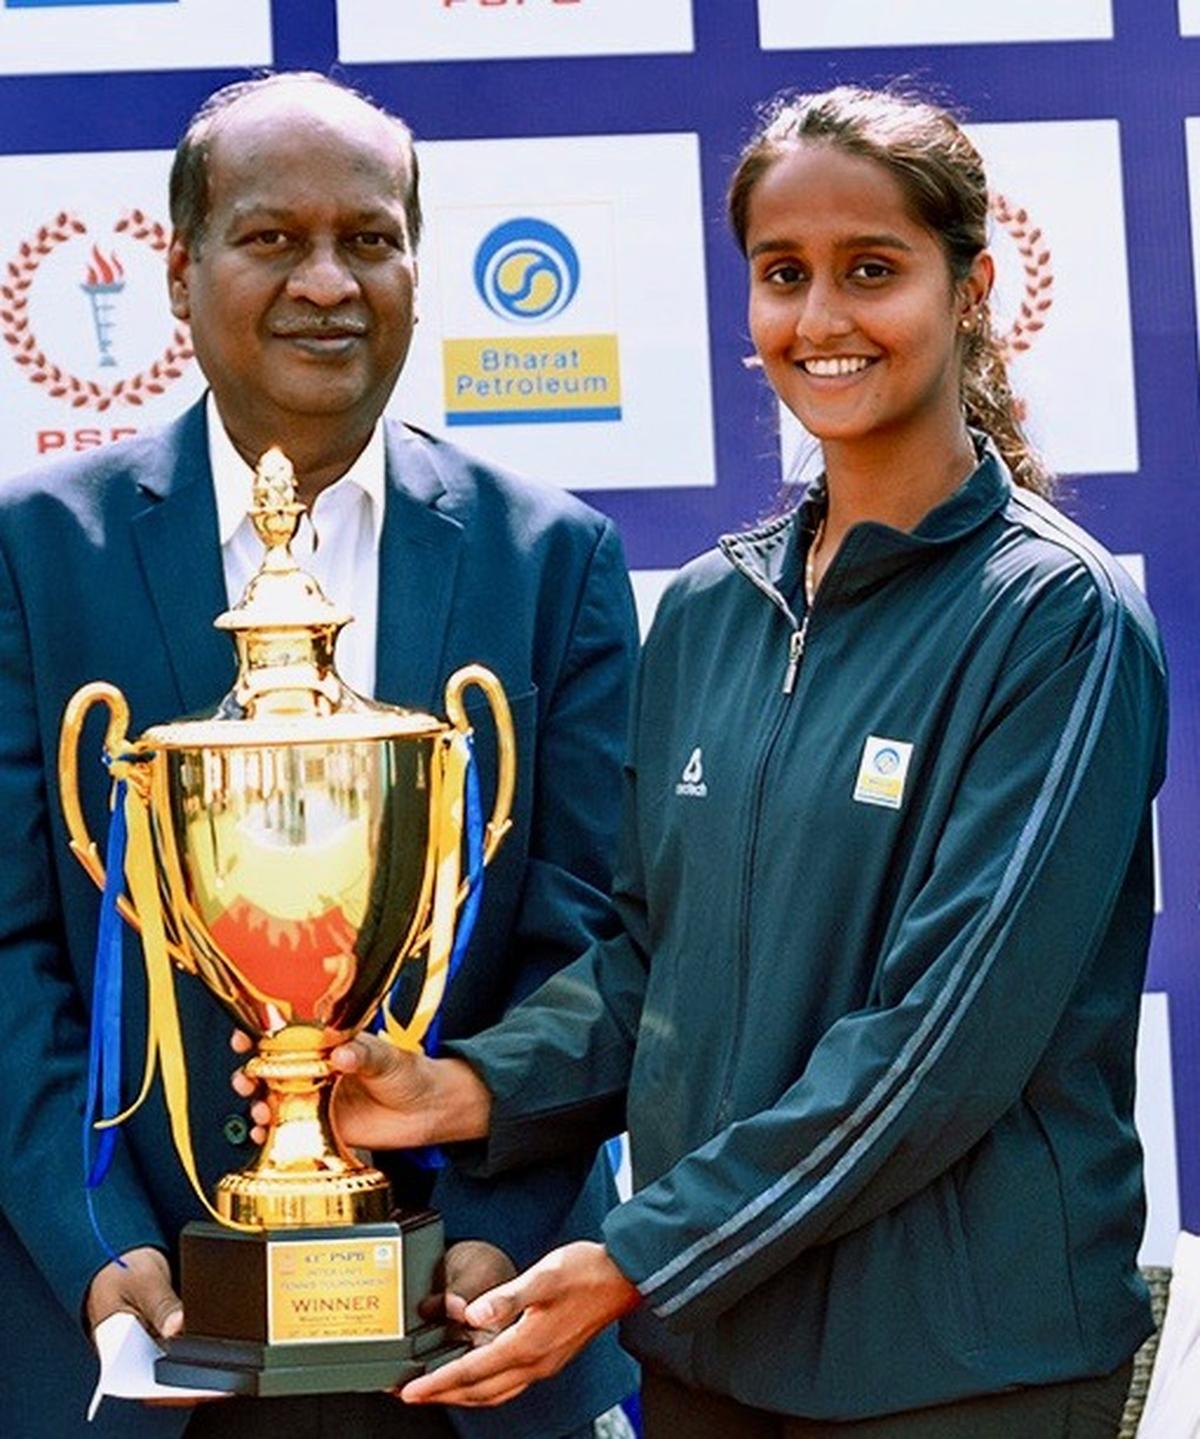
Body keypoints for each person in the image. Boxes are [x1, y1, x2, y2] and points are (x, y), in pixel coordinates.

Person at [309, 86, 1169, 1437]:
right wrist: (464, 1088)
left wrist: (640, 1254)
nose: (821, 321)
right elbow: (650, 962)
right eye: (784, 276)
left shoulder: (1056, 617)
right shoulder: (711, 609)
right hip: (710, 1360)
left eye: (871, 270)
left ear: (971, 285)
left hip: (961, 1372)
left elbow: (938, 1042)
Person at [0, 72, 638, 1439]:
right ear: (181, 277)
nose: (328, 283)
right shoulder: (35, 554)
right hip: (131, 1348)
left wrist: (494, 1223)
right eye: (273, 239)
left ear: (416, 264)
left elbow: (590, 937)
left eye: (370, 238)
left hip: (473, 1341)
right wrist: (97, 1241)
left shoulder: (554, 563)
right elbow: (7, 950)